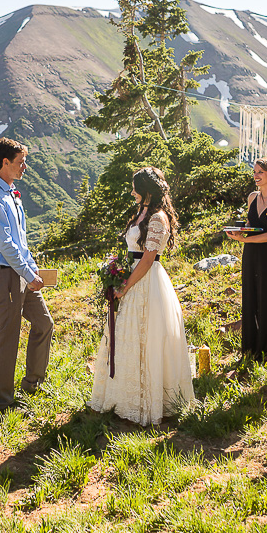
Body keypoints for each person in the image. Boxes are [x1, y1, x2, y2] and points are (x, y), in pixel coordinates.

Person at [90, 167, 194, 425]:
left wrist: (125, 286)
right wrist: (116, 273)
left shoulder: (158, 218)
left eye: (136, 187)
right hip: (132, 275)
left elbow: (148, 259)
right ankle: (125, 397)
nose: (132, 191)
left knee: (147, 337)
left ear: (147, 189)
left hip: (146, 282)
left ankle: (148, 401)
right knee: (128, 338)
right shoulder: (141, 214)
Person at [0, 138, 54, 413]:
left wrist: (32, 269)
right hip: (5, 274)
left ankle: (32, 383)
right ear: (5, 163)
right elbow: (5, 245)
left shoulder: (11, 194)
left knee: (44, 323)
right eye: (21, 162)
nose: (25, 166)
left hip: (21, 271)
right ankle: (3, 402)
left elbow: (20, 241)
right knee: (8, 336)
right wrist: (26, 272)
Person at [226, 158, 267, 362]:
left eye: (260, 172)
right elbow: (251, 224)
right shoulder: (252, 197)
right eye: (255, 172)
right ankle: (251, 346)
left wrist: (246, 239)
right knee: (250, 294)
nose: (256, 175)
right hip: (251, 252)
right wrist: (239, 232)